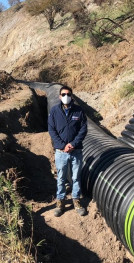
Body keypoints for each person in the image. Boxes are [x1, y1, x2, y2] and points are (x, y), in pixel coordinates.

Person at [48, 85, 87, 217]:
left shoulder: (79, 111)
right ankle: (60, 201)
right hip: (60, 152)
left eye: (68, 94)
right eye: (63, 94)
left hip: (76, 151)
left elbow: (83, 129)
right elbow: (52, 130)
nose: (66, 97)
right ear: (59, 96)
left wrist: (73, 144)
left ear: (72, 96)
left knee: (76, 177)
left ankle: (76, 200)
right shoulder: (54, 111)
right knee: (61, 177)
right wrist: (62, 146)